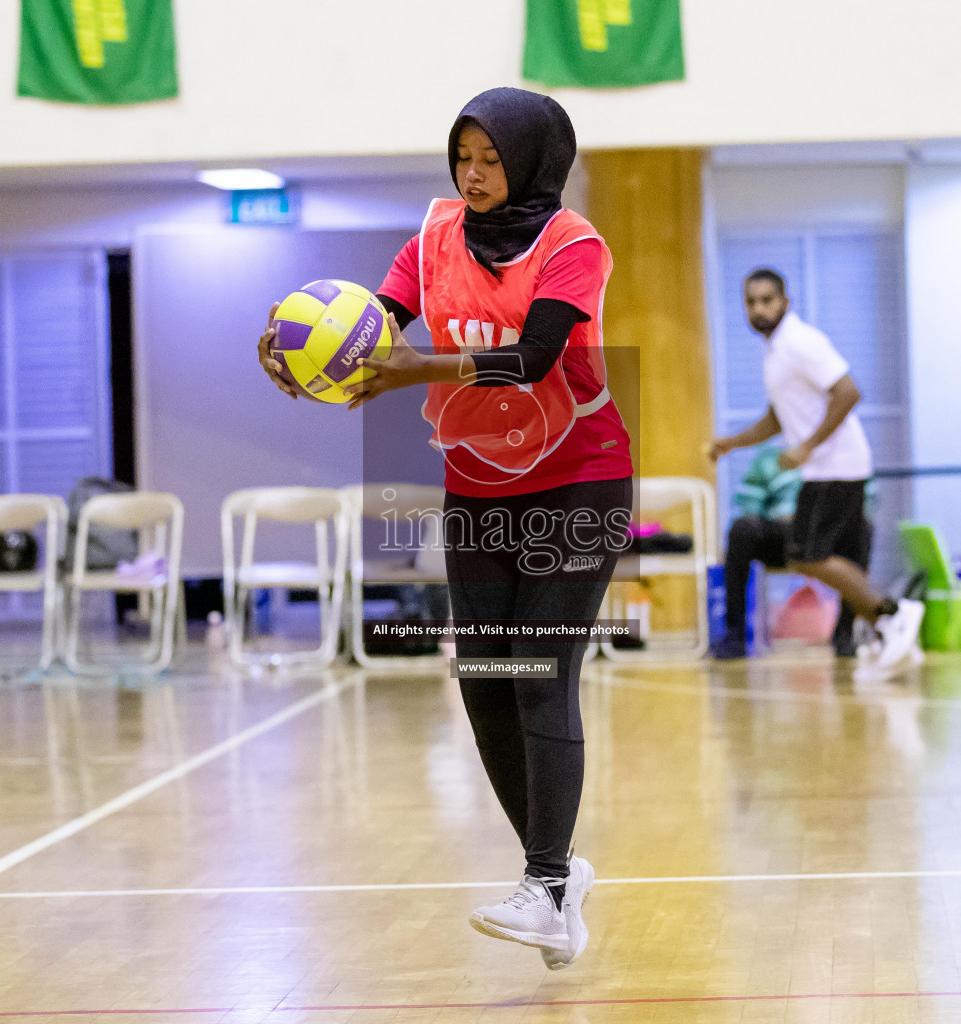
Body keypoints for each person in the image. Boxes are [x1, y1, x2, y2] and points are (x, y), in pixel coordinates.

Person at [257, 87, 632, 970]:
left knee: (540, 671)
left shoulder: (575, 244)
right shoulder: (432, 237)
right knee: (485, 681)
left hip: (580, 480)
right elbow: (376, 322)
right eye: (463, 156)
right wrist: (307, 360)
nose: (472, 173)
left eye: (492, 159)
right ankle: (558, 877)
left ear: (534, 160)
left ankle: (543, 882)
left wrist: (417, 366)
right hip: (478, 485)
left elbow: (535, 356)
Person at [705, 268, 922, 677]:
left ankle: (892, 613)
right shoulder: (775, 351)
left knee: (807, 555)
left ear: (785, 302)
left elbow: (849, 392)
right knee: (813, 555)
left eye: (767, 299)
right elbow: (776, 419)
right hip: (824, 470)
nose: (758, 308)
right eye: (751, 302)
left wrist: (808, 446)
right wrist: (730, 443)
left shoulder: (801, 342)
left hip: (836, 467)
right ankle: (890, 630)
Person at [712, 439, 872, 659]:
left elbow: (865, 502)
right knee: (742, 529)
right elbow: (749, 507)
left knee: (863, 528)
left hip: (828, 538)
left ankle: (845, 632)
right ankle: (735, 634)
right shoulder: (770, 458)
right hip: (782, 535)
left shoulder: (843, 459)